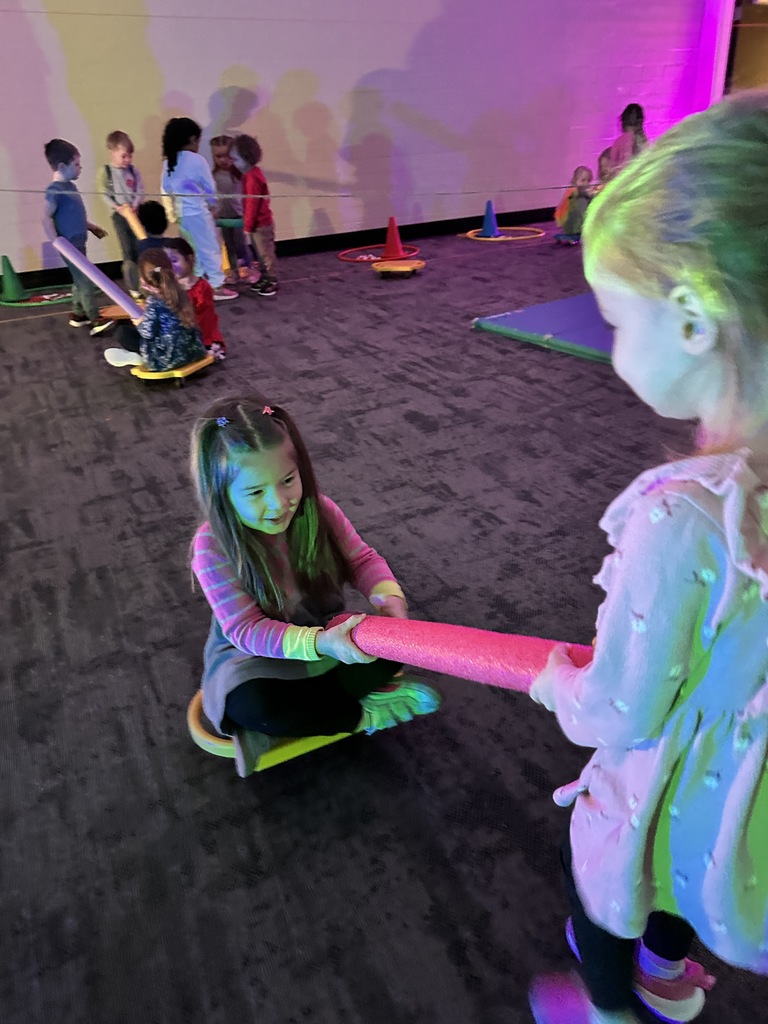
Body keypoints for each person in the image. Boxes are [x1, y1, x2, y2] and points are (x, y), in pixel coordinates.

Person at [527, 91, 768, 1024]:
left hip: (676, 772)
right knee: (703, 869)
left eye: (618, 321)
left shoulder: (682, 518)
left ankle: (612, 1009)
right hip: (750, 796)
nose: (613, 345)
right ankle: (670, 975)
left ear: (696, 317)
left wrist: (555, 682)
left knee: (607, 882)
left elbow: (619, 705)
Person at [189, 394, 441, 777]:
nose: (278, 503)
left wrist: (390, 603)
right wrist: (319, 644)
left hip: (329, 636)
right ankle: (359, 713)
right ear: (221, 495)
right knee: (254, 706)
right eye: (255, 493)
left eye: (288, 480)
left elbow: (363, 561)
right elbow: (246, 630)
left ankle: (332, 702)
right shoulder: (212, 547)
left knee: (396, 646)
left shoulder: (320, 510)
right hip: (257, 659)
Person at [42, 138, 114, 336]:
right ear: (62, 166)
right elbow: (46, 217)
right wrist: (55, 241)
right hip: (69, 244)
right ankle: (94, 317)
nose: (80, 168)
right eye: (77, 164)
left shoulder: (70, 186)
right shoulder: (54, 190)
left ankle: (78, 314)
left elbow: (75, 215)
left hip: (78, 241)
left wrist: (91, 227)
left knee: (78, 278)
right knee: (85, 278)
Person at [160, 117, 237, 301]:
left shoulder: (168, 162)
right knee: (210, 248)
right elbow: (209, 187)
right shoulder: (197, 160)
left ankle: (197, 284)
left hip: (183, 216)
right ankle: (216, 287)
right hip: (199, 214)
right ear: (193, 139)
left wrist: (172, 212)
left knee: (193, 251)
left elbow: (166, 187)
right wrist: (213, 205)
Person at [103, 248, 207, 371]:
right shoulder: (181, 292)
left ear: (144, 278)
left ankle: (138, 357)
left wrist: (140, 322)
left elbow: (147, 333)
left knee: (122, 331)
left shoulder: (154, 302)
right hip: (193, 352)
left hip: (165, 359)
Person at [230, 134, 279, 296]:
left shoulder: (252, 178)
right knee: (260, 252)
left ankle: (272, 279)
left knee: (265, 253)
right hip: (258, 224)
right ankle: (265, 277)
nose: (233, 163)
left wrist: (247, 226)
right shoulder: (251, 174)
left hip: (261, 224)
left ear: (246, 158)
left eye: (235, 159)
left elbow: (252, 204)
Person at [97, 130, 144, 298]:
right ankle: (133, 287)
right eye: (124, 156)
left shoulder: (132, 170)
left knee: (141, 247)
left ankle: (144, 283)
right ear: (112, 152)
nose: (128, 160)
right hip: (119, 216)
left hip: (135, 213)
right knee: (128, 250)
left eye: (130, 156)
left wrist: (135, 204)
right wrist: (117, 207)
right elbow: (103, 193)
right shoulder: (106, 172)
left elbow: (139, 189)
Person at [170, 237, 226, 361]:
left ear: (190, 259)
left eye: (174, 260)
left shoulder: (201, 287)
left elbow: (196, 318)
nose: (170, 267)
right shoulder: (171, 286)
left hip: (200, 337)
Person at [209, 134, 255, 285]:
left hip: (238, 217)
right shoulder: (212, 175)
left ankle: (248, 267)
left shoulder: (239, 175)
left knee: (241, 245)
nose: (223, 160)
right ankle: (233, 271)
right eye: (218, 156)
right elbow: (210, 196)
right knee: (228, 246)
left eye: (227, 156)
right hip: (222, 218)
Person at [606, 103, 648, 180]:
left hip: (622, 181)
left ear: (623, 121)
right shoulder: (643, 140)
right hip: (639, 180)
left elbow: (612, 166)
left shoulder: (619, 142)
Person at [554, 166, 594, 241]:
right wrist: (588, 194)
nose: (586, 183)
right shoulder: (572, 191)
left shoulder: (584, 193)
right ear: (575, 181)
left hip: (577, 225)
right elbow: (575, 196)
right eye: (583, 180)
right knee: (581, 202)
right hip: (572, 227)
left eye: (588, 181)